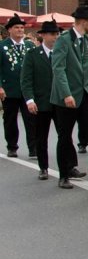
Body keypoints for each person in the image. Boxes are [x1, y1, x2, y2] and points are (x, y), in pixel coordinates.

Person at [51, 6, 88, 189]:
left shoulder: (87, 39)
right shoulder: (63, 40)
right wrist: (66, 94)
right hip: (67, 96)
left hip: (86, 93)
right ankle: (64, 175)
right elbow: (58, 68)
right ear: (83, 21)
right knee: (65, 136)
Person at [21, 20, 60, 181]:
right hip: (41, 103)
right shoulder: (32, 55)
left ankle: (69, 166)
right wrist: (30, 100)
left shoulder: (61, 53)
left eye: (57, 34)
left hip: (59, 102)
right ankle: (43, 167)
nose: (55, 37)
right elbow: (26, 80)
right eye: (52, 34)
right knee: (41, 137)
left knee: (64, 136)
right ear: (42, 35)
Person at [0, 13, 36, 158]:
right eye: (17, 27)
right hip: (9, 89)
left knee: (31, 119)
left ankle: (33, 148)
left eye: (22, 27)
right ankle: (12, 146)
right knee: (10, 120)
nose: (20, 30)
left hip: (28, 91)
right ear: (9, 30)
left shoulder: (30, 46)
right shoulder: (2, 46)